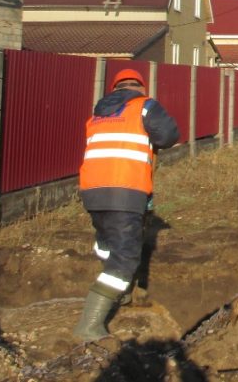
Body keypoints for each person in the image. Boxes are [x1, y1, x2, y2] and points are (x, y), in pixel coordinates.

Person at [73, 68, 179, 341]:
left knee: (107, 242)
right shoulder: (144, 107)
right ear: (139, 88)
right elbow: (168, 136)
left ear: (115, 89)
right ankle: (89, 325)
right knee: (126, 258)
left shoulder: (98, 113)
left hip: (92, 190)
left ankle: (121, 294)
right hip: (126, 189)